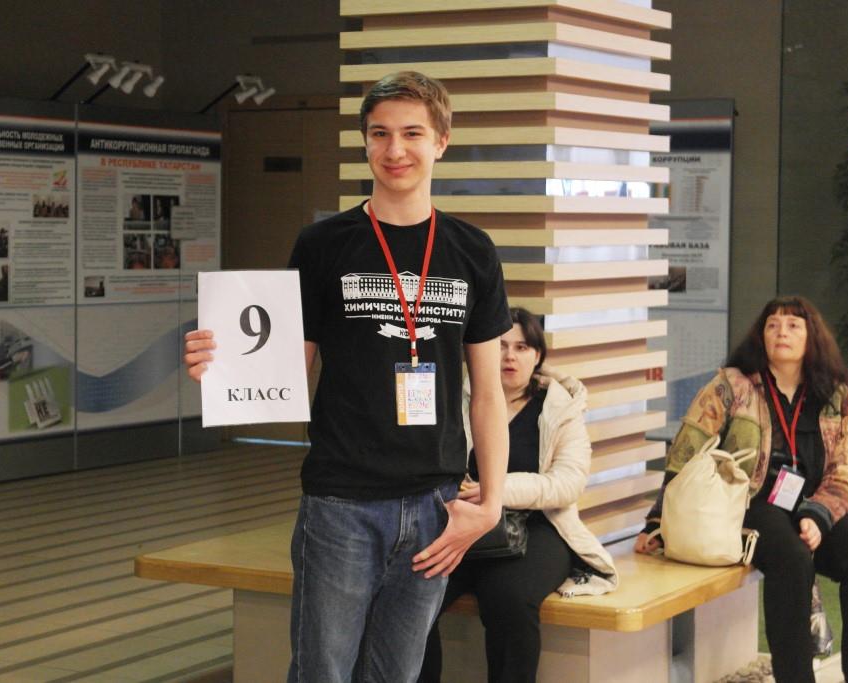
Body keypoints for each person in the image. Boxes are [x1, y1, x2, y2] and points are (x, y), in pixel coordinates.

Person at [184, 71, 511, 683]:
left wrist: (490, 503)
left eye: (412, 133)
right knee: (322, 673)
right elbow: (285, 366)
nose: (395, 149)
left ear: (441, 141)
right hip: (341, 503)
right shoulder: (323, 245)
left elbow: (488, 394)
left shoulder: (472, 250)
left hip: (436, 505)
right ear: (364, 142)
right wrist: (220, 369)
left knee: (397, 675)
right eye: (379, 134)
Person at [634, 296, 848, 683]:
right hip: (750, 503)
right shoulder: (732, 385)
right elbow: (686, 450)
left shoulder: (837, 396)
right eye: (772, 325)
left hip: (814, 503)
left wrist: (819, 515)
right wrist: (657, 522)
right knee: (792, 561)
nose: (781, 332)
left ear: (812, 337)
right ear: (761, 335)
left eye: (793, 325)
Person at [419, 307, 617, 683]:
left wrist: (497, 489)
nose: (510, 356)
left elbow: (568, 483)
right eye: (500, 345)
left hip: (541, 526)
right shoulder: (456, 397)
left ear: (537, 355)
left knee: (508, 598)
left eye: (522, 347)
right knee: (415, 594)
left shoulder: (560, 406)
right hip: (465, 522)